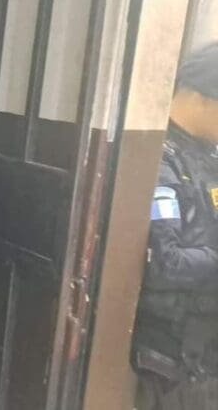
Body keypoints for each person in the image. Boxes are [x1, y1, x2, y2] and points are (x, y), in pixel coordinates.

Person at [132, 43, 218, 409]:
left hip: (204, 355)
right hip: (173, 360)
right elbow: (164, 262)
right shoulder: (159, 160)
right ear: (202, 97)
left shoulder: (207, 155)